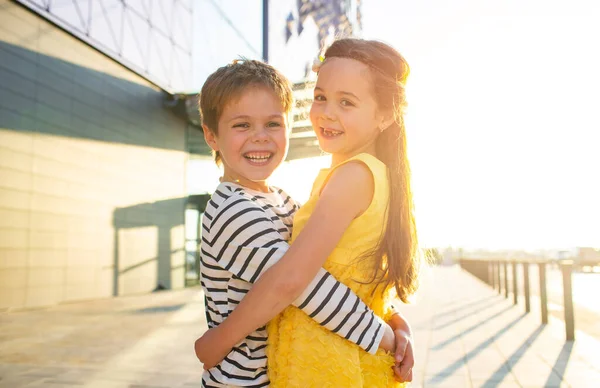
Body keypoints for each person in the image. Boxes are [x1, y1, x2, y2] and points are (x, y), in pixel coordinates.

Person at [194, 58, 414, 387]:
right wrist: (385, 336)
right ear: (212, 136)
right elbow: (304, 287)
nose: (260, 137)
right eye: (242, 125)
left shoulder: (283, 200)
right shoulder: (233, 209)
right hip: (243, 380)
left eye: (273, 124)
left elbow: (332, 270)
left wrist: (394, 317)